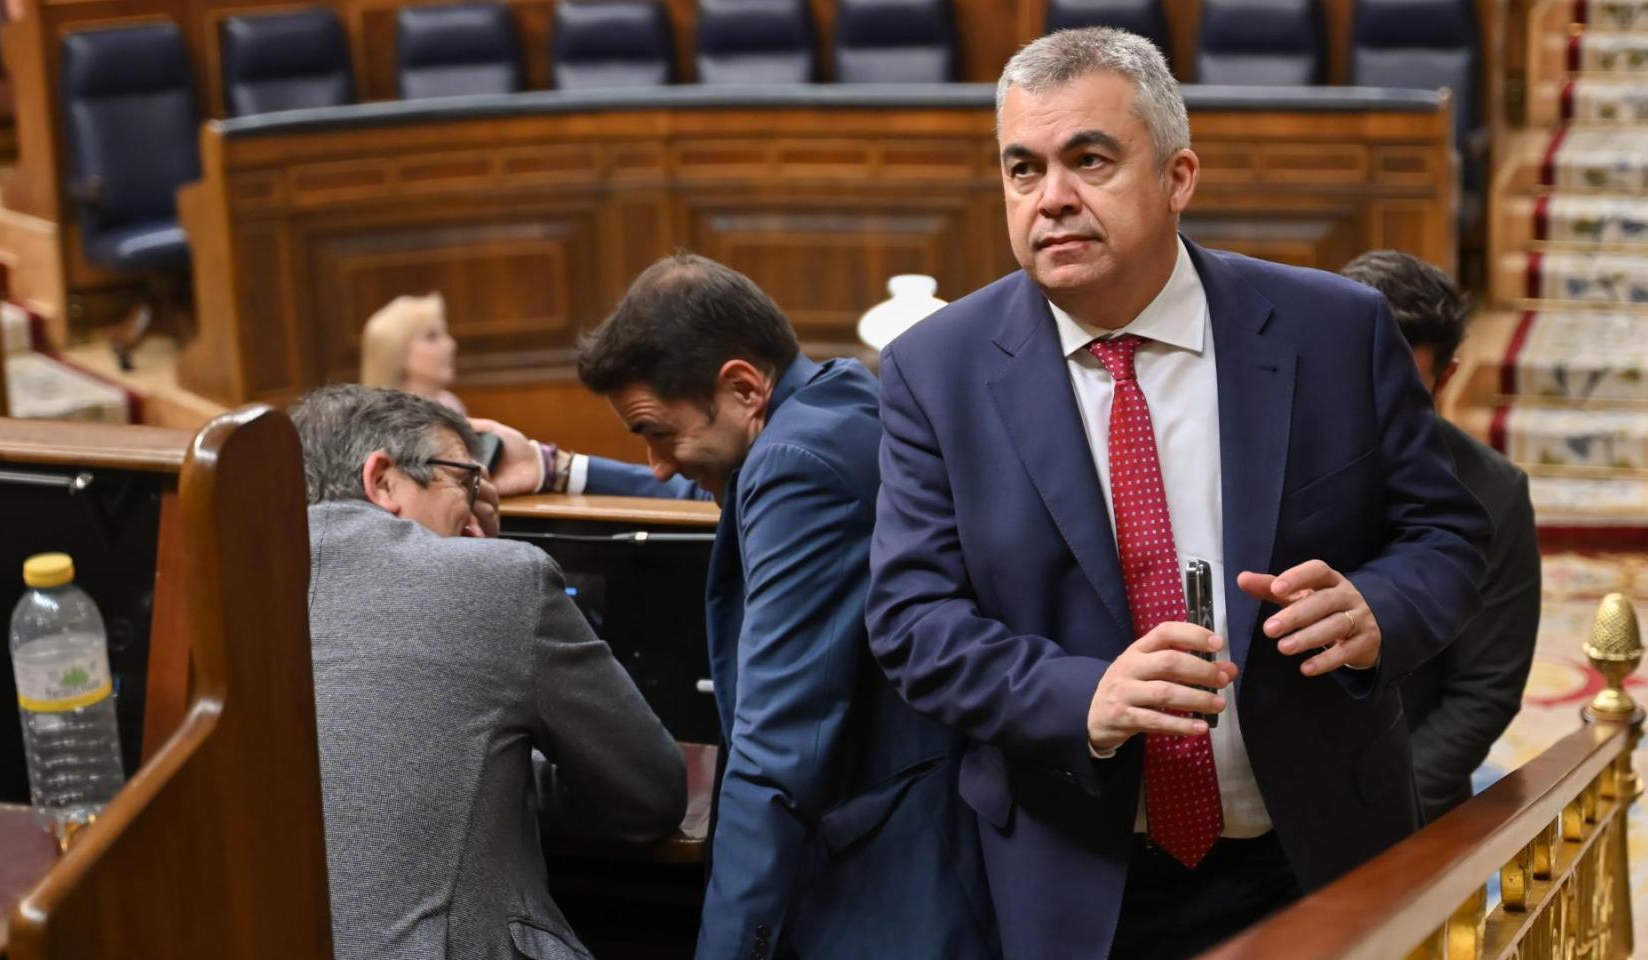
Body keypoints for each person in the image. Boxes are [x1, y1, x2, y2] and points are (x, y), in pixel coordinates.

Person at [864, 28, 1491, 960]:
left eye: (1089, 160)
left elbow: (1445, 532)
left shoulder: (1334, 330)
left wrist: (1377, 607)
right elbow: (912, 617)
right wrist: (1086, 695)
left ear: (1178, 175)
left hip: (1318, 847)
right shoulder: (935, 371)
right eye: (1023, 169)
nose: (1053, 200)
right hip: (1077, 868)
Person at [486, 254, 998, 960]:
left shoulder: (798, 470)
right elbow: (736, 488)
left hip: (883, 890)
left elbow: (774, 753)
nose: (660, 464)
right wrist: (566, 470)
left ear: (743, 386)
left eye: (656, 432)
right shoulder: (832, 401)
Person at [289, 384, 687, 960]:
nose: (482, 524)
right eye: (468, 482)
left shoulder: (222, 590)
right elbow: (651, 793)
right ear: (382, 480)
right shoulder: (501, 580)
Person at [1340, 250, 1541, 821]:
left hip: (1404, 805)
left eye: (1400, 389)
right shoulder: (1250, 452)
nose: (1368, 408)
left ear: (1446, 379)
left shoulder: (1494, 492)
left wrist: (1385, 815)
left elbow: (1482, 693)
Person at [360, 292, 468, 415]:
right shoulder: (384, 418)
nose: (450, 345)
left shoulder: (450, 404)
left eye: (445, 333)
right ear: (396, 352)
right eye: (432, 336)